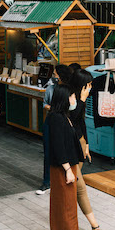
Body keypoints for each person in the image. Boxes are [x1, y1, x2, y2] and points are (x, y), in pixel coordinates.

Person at [47, 84, 93, 230]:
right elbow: (58, 146)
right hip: (63, 169)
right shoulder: (57, 119)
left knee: (62, 207)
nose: (74, 100)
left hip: (65, 167)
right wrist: (68, 169)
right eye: (72, 97)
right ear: (64, 99)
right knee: (68, 209)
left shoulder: (61, 116)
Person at [68, 69, 106, 230]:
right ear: (82, 85)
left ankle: (69, 217)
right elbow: (72, 119)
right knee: (80, 187)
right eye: (89, 85)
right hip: (71, 147)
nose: (90, 88)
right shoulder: (71, 98)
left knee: (75, 187)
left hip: (80, 145)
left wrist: (87, 145)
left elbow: (81, 122)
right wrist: (82, 100)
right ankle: (95, 226)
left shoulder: (80, 99)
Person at [38, 64, 74, 195]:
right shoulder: (50, 88)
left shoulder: (69, 89)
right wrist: (52, 108)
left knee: (63, 149)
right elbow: (45, 104)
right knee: (50, 151)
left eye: (55, 73)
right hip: (53, 119)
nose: (53, 75)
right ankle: (47, 181)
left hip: (63, 120)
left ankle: (64, 176)